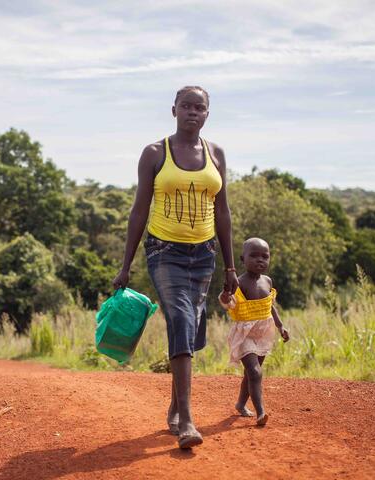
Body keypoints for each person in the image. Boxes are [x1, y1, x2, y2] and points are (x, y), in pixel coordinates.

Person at [112, 86, 238, 449]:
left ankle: (174, 405)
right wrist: (126, 265)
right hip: (163, 251)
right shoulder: (155, 153)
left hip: (204, 255)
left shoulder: (216, 154)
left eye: (199, 107)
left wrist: (230, 269)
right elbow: (138, 210)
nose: (192, 112)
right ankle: (186, 420)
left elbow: (223, 211)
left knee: (192, 331)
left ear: (207, 114)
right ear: (174, 110)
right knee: (181, 319)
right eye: (186, 106)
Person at [219, 237, 290, 426]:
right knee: (255, 371)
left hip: (263, 332)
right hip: (244, 333)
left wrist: (280, 325)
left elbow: (270, 305)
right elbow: (228, 303)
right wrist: (226, 294)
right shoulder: (239, 282)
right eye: (254, 256)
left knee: (251, 373)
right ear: (242, 259)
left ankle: (241, 404)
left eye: (265, 257)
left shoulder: (267, 281)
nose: (260, 260)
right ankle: (261, 412)